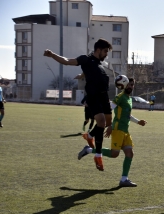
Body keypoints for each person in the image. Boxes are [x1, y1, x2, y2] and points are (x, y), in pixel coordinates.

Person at [44, 38, 113, 171]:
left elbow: (92, 72)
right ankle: (98, 155)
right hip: (93, 96)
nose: (106, 54)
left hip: (104, 96)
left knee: (108, 122)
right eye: (105, 51)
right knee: (101, 121)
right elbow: (67, 61)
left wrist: (82, 75)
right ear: (98, 50)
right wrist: (52, 54)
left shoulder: (99, 63)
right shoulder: (85, 59)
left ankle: (90, 136)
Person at [78, 78, 147, 187]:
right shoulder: (120, 97)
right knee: (115, 154)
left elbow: (127, 115)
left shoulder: (129, 99)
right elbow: (108, 109)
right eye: (129, 84)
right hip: (118, 129)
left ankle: (124, 179)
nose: (130, 86)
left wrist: (138, 122)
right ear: (123, 85)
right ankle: (89, 150)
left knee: (130, 153)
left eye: (132, 85)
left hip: (125, 131)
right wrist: (109, 125)